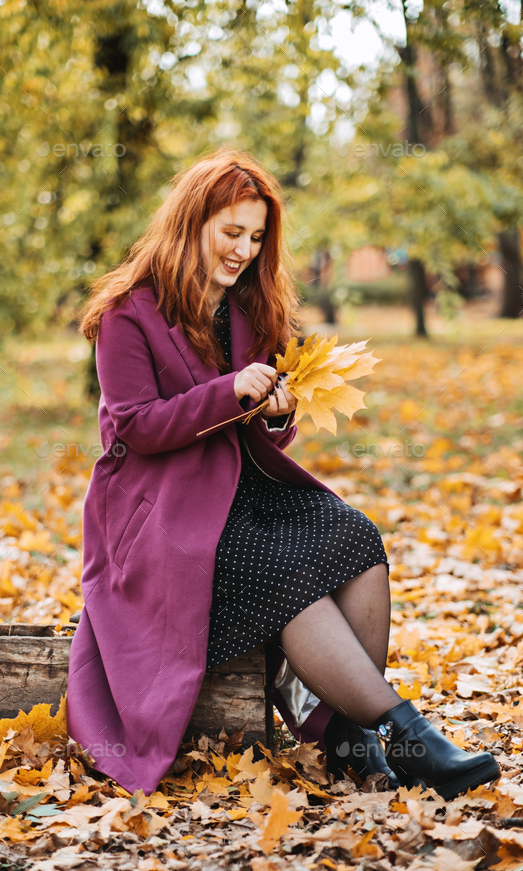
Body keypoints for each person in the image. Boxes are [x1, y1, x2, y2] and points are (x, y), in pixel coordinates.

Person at [66, 147, 500, 801]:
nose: (244, 249)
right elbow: (135, 426)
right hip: (162, 518)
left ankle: (353, 739)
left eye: (256, 236)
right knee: (291, 577)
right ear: (192, 223)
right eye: (230, 232)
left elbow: (262, 423)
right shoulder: (128, 313)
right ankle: (409, 737)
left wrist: (274, 413)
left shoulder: (248, 307)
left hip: (246, 489)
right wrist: (228, 392)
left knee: (357, 539)